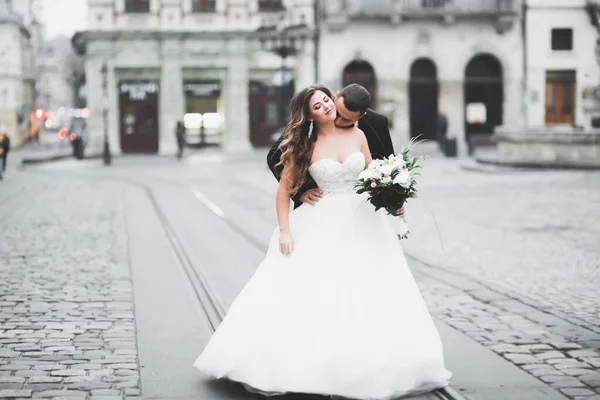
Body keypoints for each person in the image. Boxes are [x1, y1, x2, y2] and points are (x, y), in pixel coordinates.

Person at [193, 85, 451, 399]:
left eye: (327, 100)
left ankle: (372, 360)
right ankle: (317, 364)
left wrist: (392, 196)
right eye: (319, 104)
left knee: (373, 288)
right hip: (321, 220)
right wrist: (286, 229)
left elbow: (371, 174)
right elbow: (282, 190)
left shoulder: (359, 135)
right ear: (310, 114)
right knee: (323, 292)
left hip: (365, 223)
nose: (327, 106)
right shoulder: (305, 144)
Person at [268, 83, 395, 209]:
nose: (337, 120)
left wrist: (394, 199)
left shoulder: (376, 123)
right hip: (320, 206)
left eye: (346, 119)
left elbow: (388, 164)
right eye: (338, 112)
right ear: (336, 96)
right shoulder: (317, 112)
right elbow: (274, 157)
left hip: (362, 207)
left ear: (361, 116)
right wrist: (300, 191)